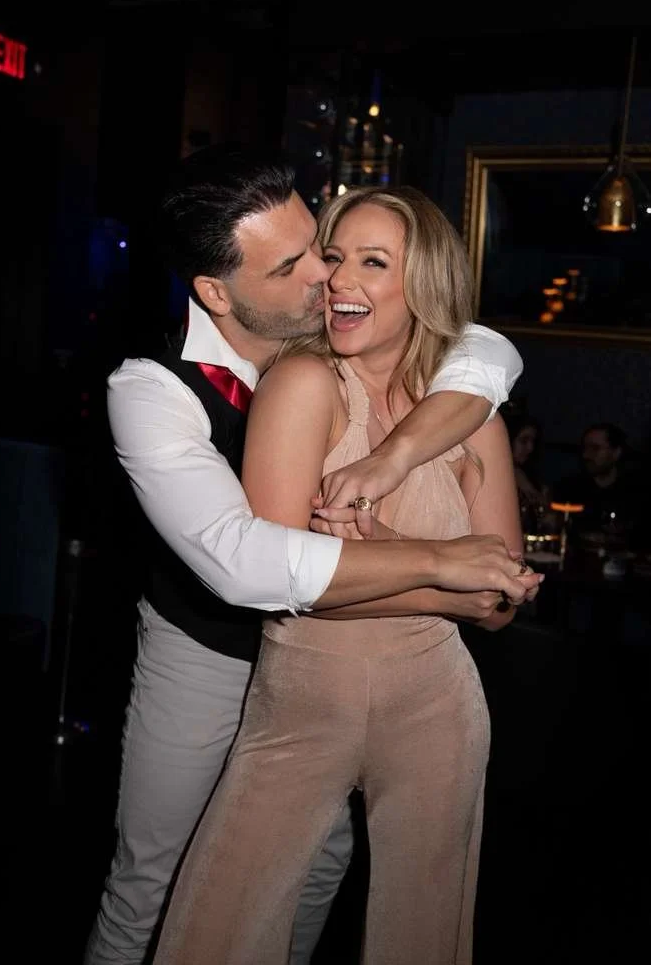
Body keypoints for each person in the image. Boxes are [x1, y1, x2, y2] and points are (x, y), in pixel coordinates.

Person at [84, 144, 539, 965]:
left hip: (398, 682)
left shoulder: (424, 376)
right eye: (303, 263)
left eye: (324, 250)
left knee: (335, 883)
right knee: (160, 880)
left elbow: (486, 350)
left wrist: (415, 478)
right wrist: (449, 567)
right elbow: (250, 567)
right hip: (210, 647)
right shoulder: (150, 390)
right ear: (218, 292)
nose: (325, 280)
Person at [553, 422, 642, 544]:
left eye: (595, 448)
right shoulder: (569, 488)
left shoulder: (635, 492)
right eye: (585, 448)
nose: (586, 455)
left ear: (616, 453)